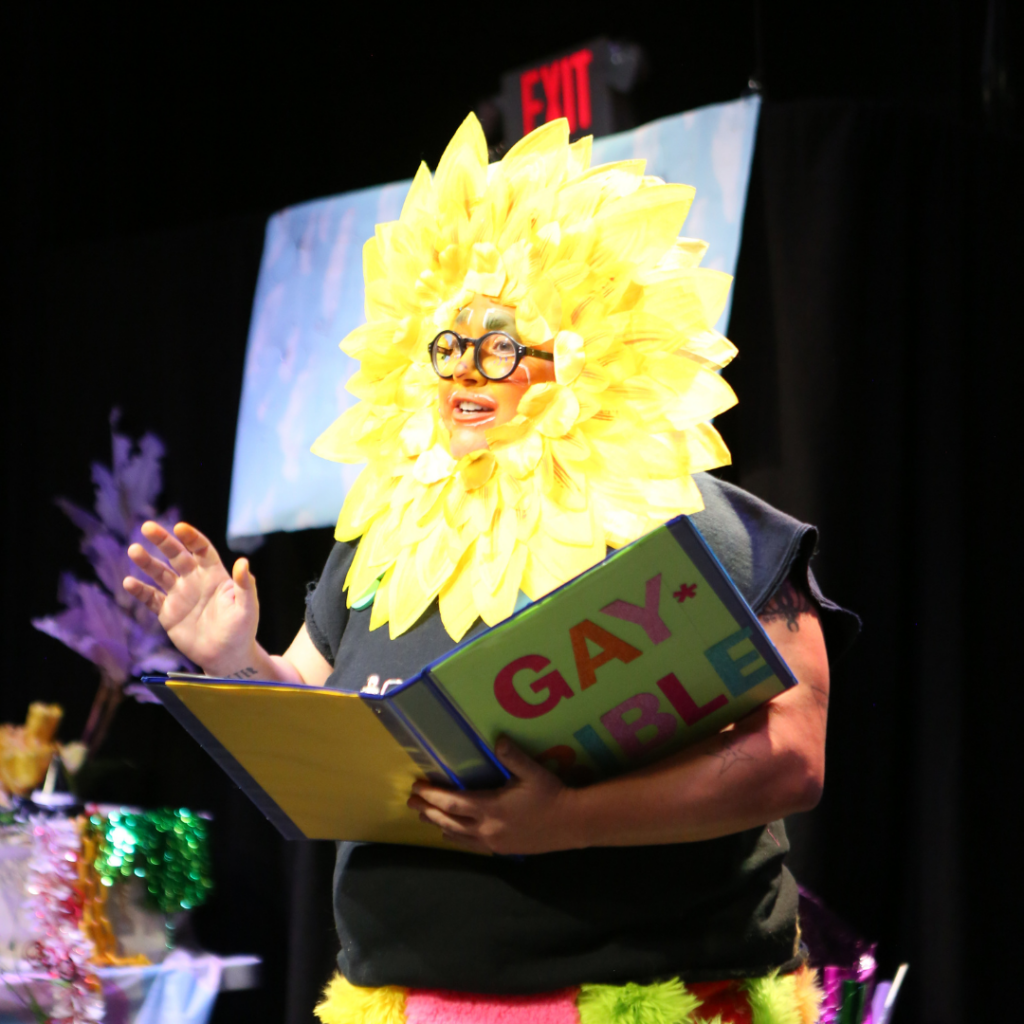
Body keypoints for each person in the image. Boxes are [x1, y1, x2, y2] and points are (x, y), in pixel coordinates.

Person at [125, 115, 855, 1024]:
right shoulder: (385, 535)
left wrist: (569, 821)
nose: (465, 374)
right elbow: (315, 721)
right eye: (448, 347)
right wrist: (237, 658)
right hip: (408, 999)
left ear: (583, 354)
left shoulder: (700, 521)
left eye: (501, 347)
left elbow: (792, 759)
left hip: (646, 995)